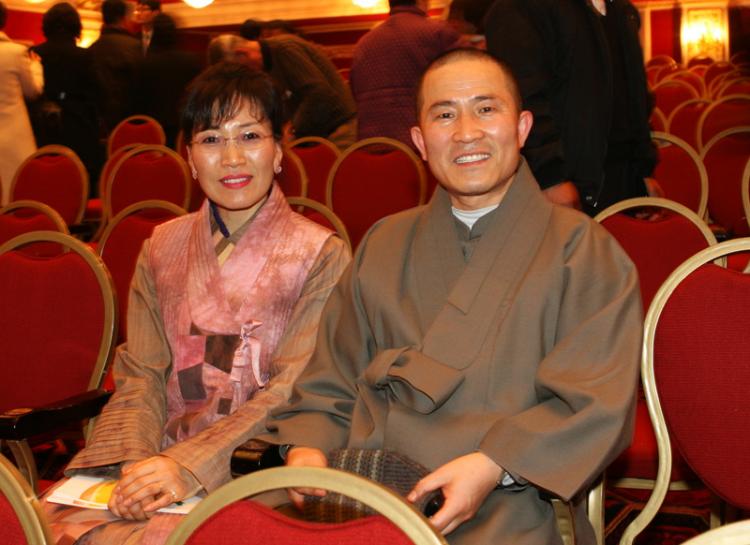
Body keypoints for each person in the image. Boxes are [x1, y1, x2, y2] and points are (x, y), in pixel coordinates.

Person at [264, 49, 641, 545]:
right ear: (420, 140)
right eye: (444, 114)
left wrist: (493, 466)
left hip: (511, 497)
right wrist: (309, 451)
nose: (466, 131)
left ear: (522, 127)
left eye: (486, 109)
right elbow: (330, 378)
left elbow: (593, 402)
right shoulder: (383, 242)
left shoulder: (585, 252)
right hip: (368, 491)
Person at [43, 62, 351, 545]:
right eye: (210, 139)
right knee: (51, 528)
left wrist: (186, 466)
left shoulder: (318, 254)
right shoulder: (160, 247)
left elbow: (293, 389)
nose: (230, 158)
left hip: (255, 462)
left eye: (249, 136)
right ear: (189, 157)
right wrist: (134, 464)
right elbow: (142, 372)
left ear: (277, 153)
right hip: (154, 454)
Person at [484, 0, 658, 216]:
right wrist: (550, 178)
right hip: (566, 182)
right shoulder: (521, 8)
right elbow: (523, 99)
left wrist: (643, 171)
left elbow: (636, 98)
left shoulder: (622, 11)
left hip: (623, 181)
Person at [208, 33, 357, 149]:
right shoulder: (267, 66)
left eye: (238, 70)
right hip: (320, 134)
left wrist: (292, 130)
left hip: (340, 130)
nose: (242, 76)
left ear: (242, 54)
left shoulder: (285, 50)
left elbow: (319, 93)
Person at [350, 0, 459, 148]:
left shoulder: (363, 43)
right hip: (422, 148)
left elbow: (354, 93)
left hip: (371, 148)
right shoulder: (437, 33)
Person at [32, 2, 102, 192]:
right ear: (76, 27)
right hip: (80, 126)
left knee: (44, 185)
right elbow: (97, 93)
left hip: (42, 127)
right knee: (77, 186)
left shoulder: (34, 54)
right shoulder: (86, 56)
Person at [134, 13, 202, 148]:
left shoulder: (144, 64)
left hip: (153, 129)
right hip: (185, 126)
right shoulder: (192, 61)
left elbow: (137, 101)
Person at [0, 0, 43, 204]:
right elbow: (33, 91)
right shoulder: (15, 52)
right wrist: (36, 66)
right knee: (18, 196)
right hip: (15, 134)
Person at [89, 0, 141, 134]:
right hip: (131, 120)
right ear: (123, 19)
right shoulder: (135, 47)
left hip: (99, 122)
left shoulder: (91, 49)